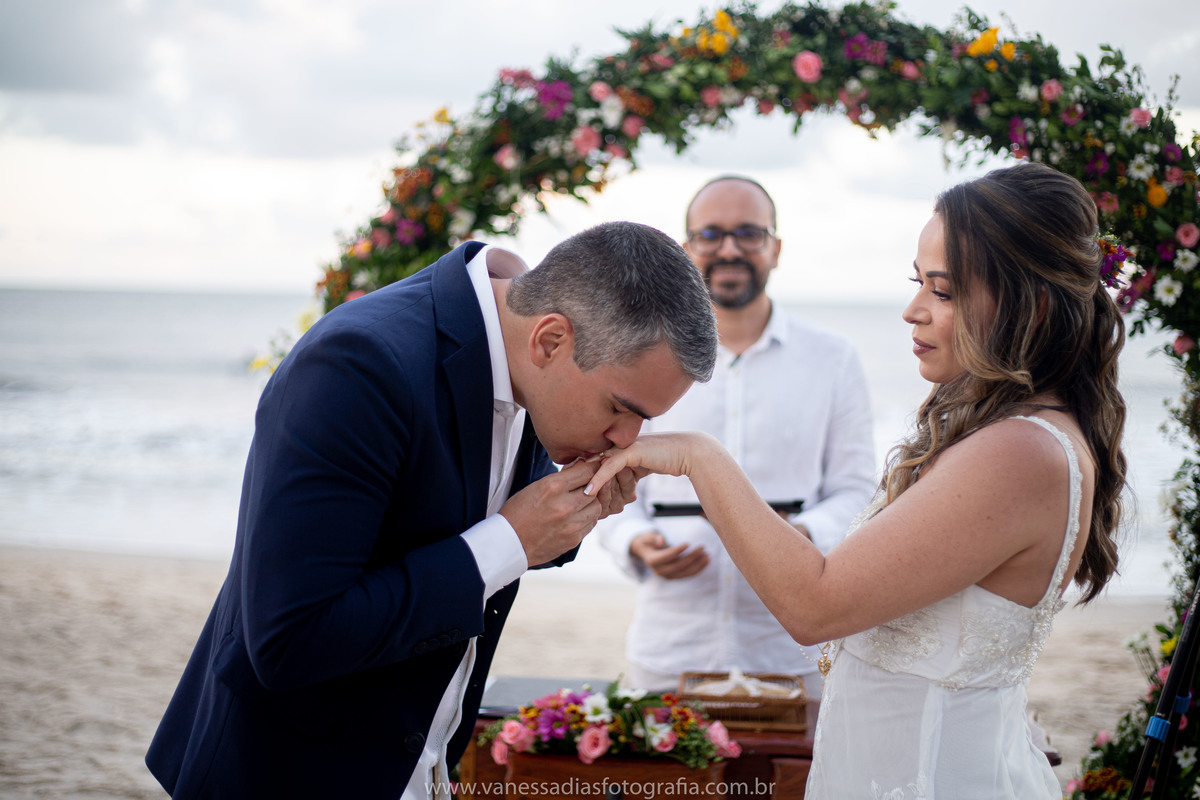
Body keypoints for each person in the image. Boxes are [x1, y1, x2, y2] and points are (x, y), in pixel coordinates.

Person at [585, 162, 1127, 797]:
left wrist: (699, 458)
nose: (912, 310)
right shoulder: (1014, 437)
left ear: (1031, 307)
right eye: (918, 283)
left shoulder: (1019, 452)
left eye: (943, 291)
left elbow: (815, 606)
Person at [145, 221, 718, 800]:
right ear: (550, 341)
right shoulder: (358, 363)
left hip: (420, 766)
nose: (627, 438)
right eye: (620, 408)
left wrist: (571, 514)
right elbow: (289, 639)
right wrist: (512, 540)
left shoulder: (526, 356)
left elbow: (475, 518)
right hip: (289, 773)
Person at [596, 176, 876, 699]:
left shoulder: (833, 358)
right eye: (711, 234)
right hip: (670, 649)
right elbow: (605, 474)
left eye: (748, 233)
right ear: (686, 250)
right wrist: (634, 541)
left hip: (795, 657)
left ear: (776, 248)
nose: (729, 249)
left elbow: (858, 489)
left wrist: (804, 532)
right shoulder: (641, 356)